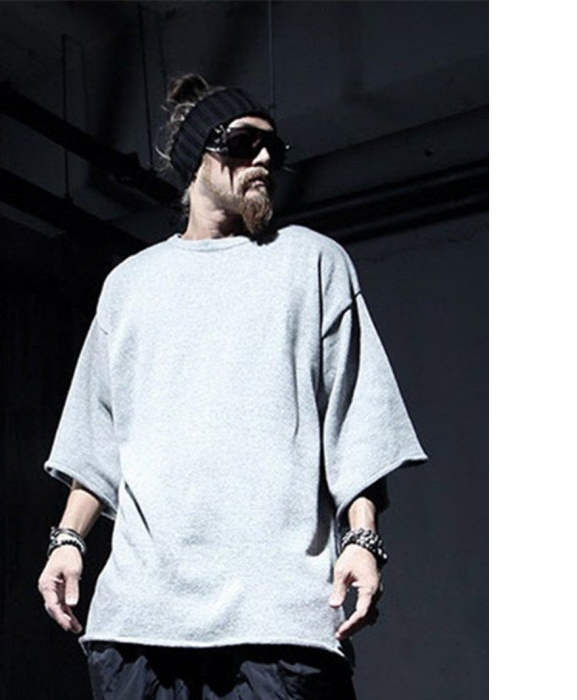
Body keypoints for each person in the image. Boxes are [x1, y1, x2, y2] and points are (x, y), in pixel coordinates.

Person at [37, 74, 427, 700]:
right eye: (245, 143)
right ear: (199, 156)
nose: (266, 158)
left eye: (276, 148)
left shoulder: (311, 262)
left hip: (277, 621)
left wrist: (362, 540)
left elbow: (357, 422)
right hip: (139, 624)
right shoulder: (130, 284)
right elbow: (98, 440)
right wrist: (68, 541)